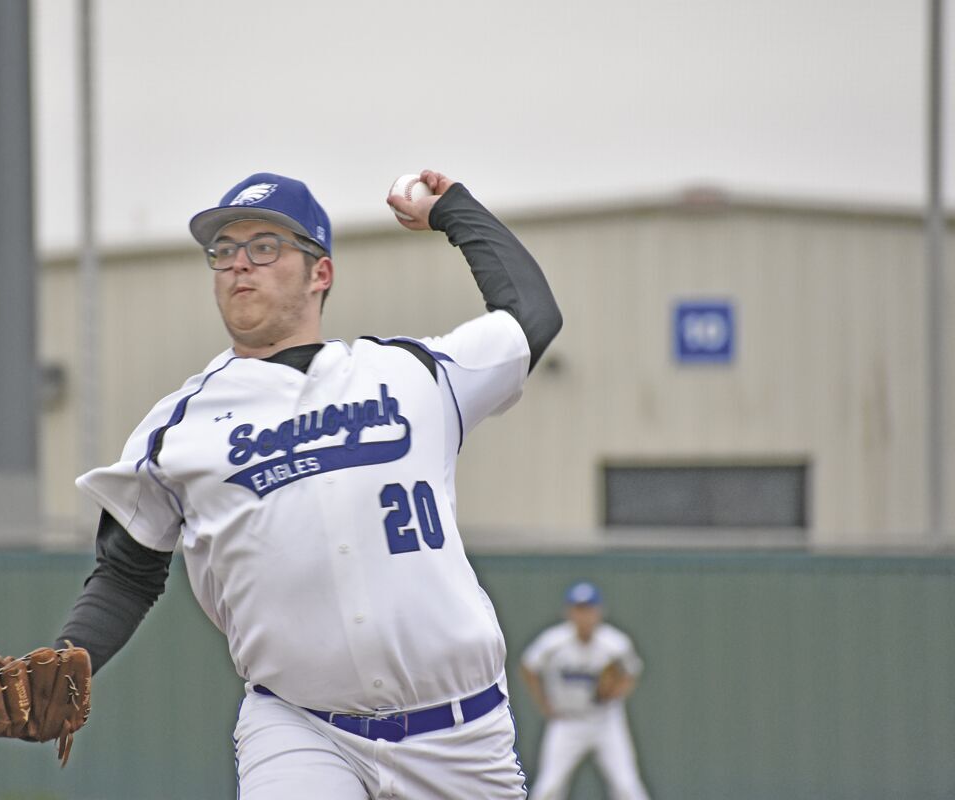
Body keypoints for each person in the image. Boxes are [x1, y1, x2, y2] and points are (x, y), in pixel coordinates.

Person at [57, 169, 562, 798]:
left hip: (460, 735)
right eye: (224, 251)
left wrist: (455, 212)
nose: (240, 265)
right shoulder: (179, 425)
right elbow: (128, 571)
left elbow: (530, 318)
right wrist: (68, 657)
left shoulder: (410, 373)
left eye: (265, 247)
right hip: (299, 726)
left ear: (319, 272)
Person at [520, 581, 651, 800]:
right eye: (579, 609)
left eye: (589, 609)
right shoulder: (553, 642)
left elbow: (631, 673)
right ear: (569, 612)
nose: (584, 615)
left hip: (606, 721)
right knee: (548, 788)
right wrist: (544, 704)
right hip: (567, 720)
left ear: (599, 612)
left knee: (627, 787)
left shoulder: (615, 644)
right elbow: (528, 666)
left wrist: (614, 691)